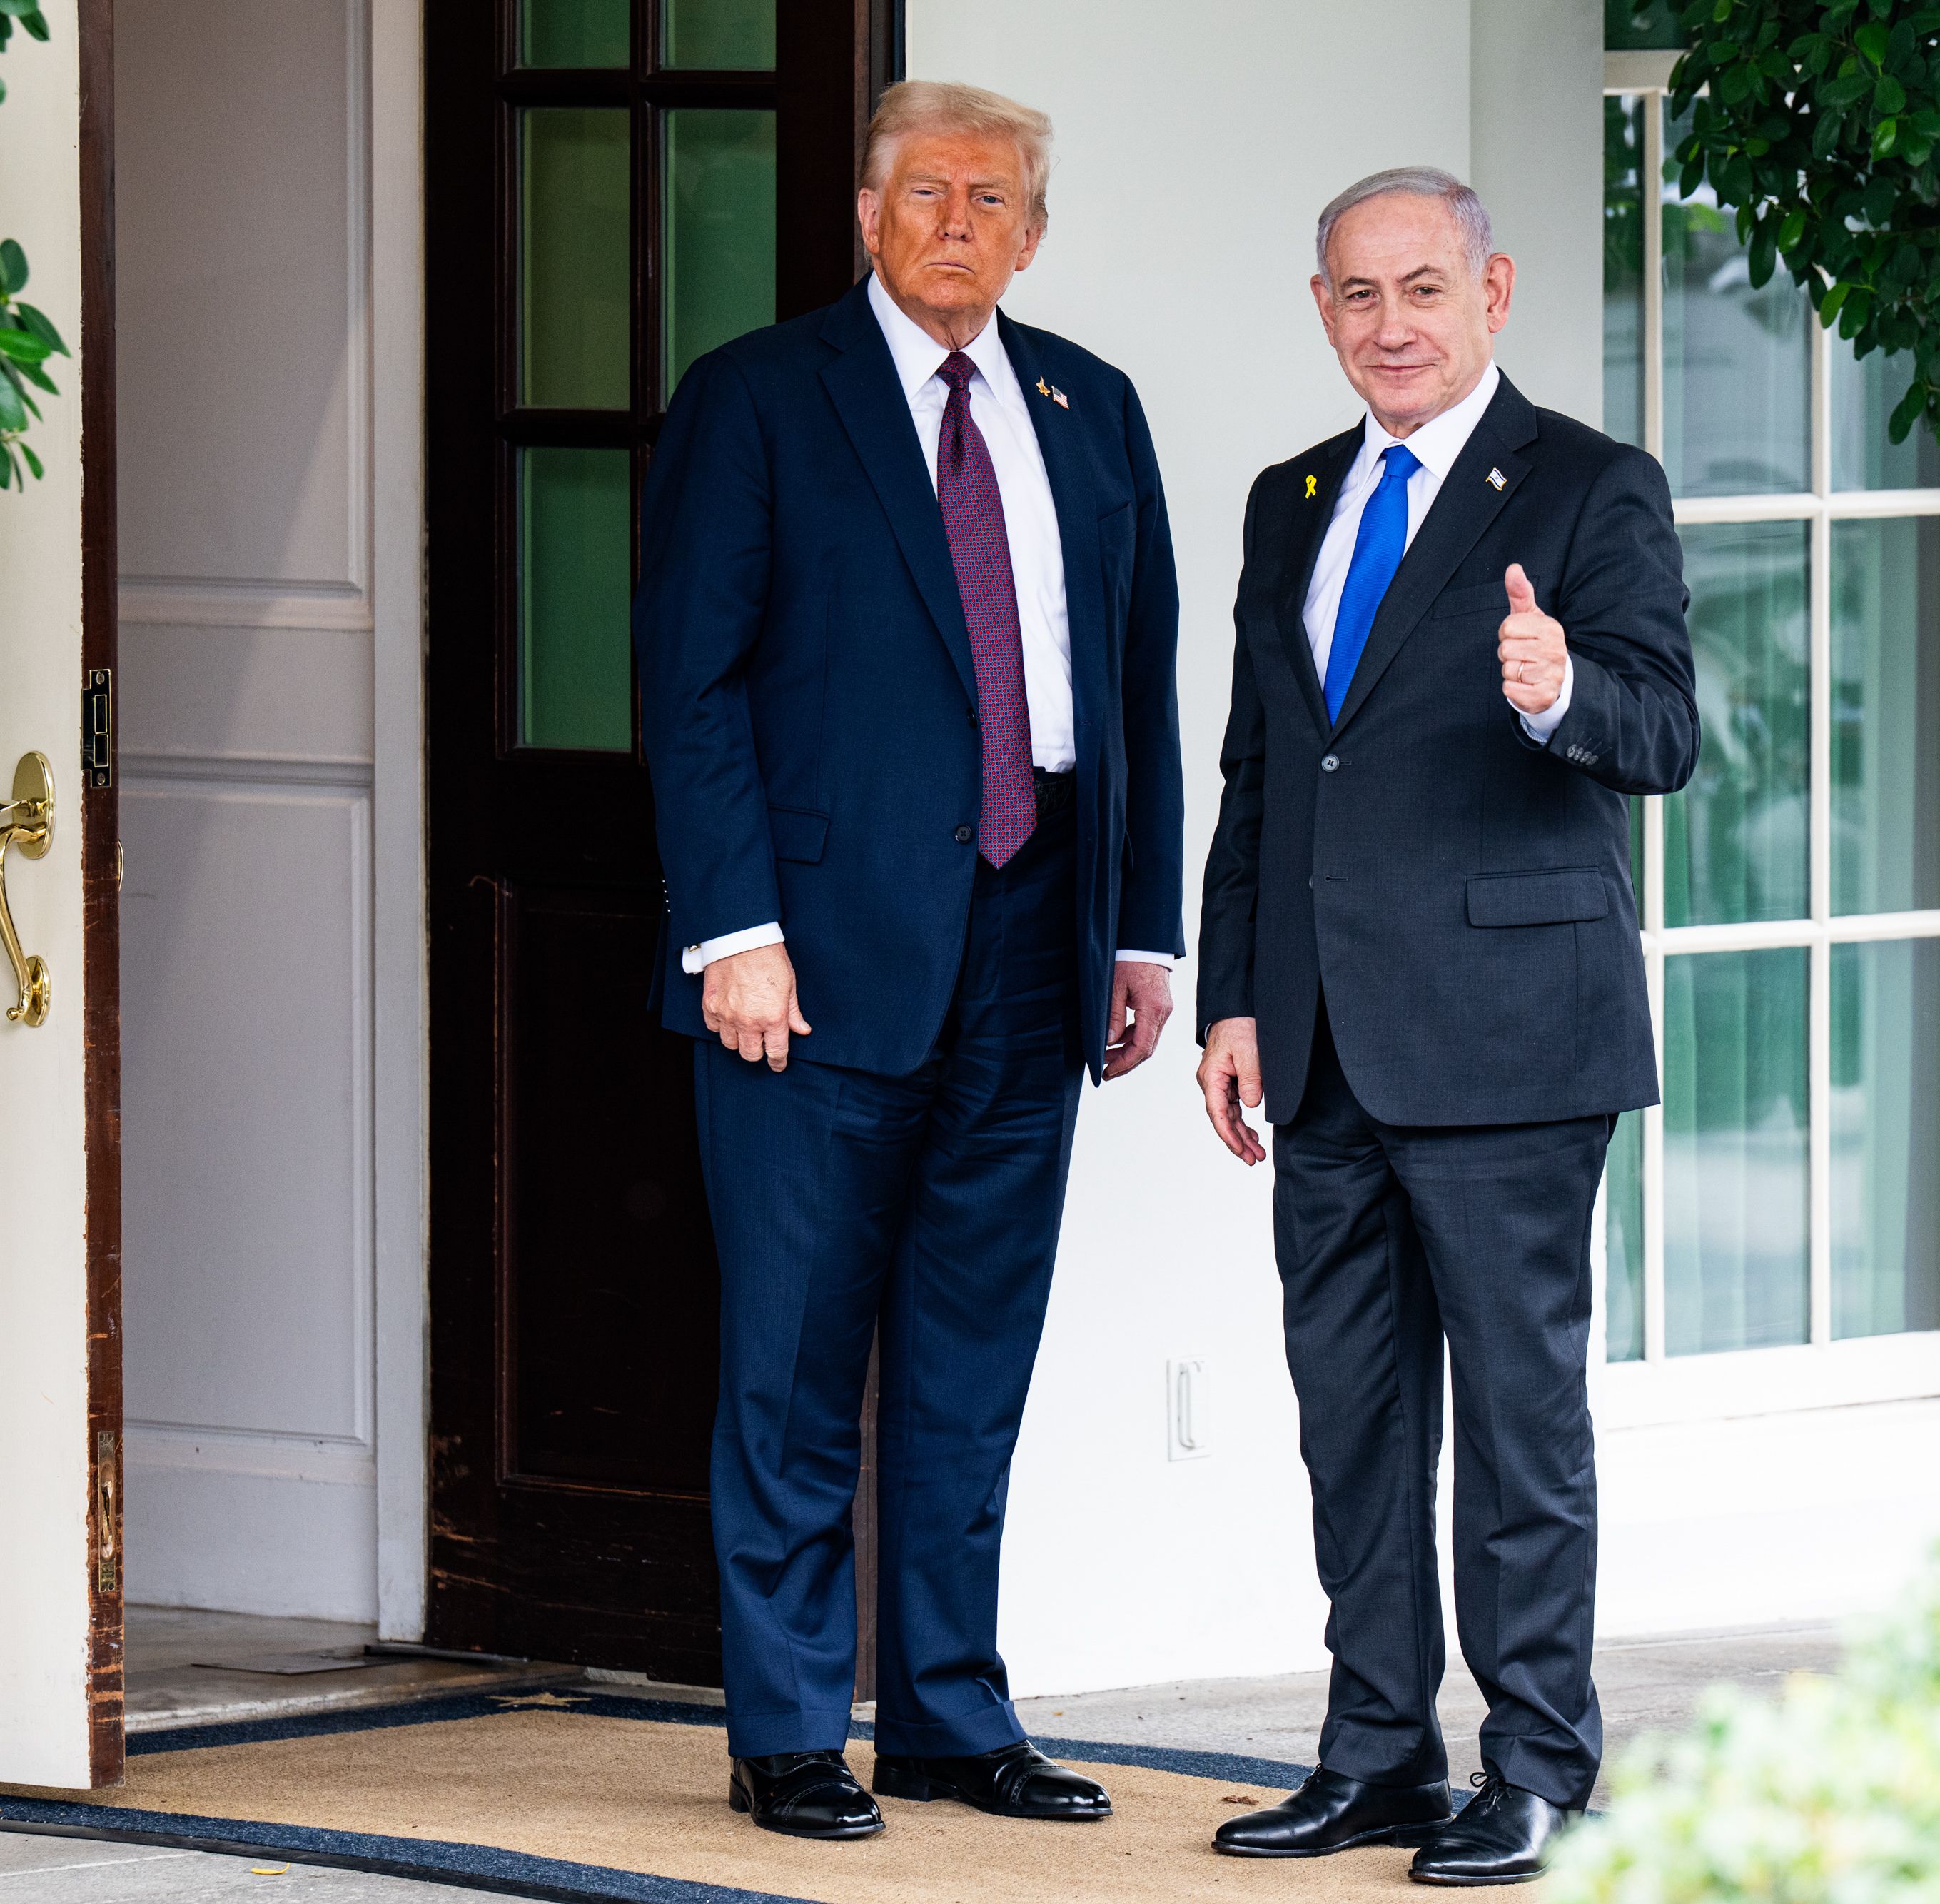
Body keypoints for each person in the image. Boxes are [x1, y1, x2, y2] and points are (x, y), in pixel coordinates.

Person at [636, 80, 1183, 1842]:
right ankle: (792, 1727)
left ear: (1034, 232)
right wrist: (732, 932)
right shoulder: (755, 397)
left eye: (993, 197)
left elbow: (1136, 684)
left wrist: (1140, 927)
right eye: (928, 192)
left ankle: (950, 1713)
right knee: (794, 1366)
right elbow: (690, 686)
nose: (959, 220)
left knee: (970, 1358)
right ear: (867, 218)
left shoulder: (1091, 406)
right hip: (807, 960)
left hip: (1036, 940)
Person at [1194, 167, 1696, 1885]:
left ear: (1492, 291)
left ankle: (1536, 1762)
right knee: (1351, 1419)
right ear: (1319, 308)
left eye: (1421, 289)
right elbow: (1264, 771)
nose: (1389, 325)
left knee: (1513, 1431)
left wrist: (1562, 692)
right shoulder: (1289, 499)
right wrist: (1235, 994)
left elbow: (1664, 729)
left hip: (1509, 1038)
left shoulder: (1588, 485)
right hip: (1320, 1039)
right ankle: (1377, 1751)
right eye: (1357, 294)